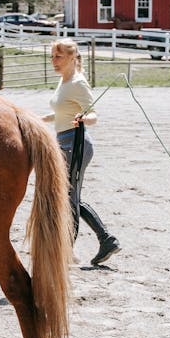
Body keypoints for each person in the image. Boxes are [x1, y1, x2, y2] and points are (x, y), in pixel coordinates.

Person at [43, 38, 121, 266]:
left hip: (76, 144)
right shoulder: (64, 81)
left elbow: (93, 114)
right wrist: (38, 119)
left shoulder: (78, 83)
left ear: (72, 58)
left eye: (58, 56)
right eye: (52, 56)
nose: (54, 61)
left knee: (69, 198)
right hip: (62, 142)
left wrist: (85, 118)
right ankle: (106, 240)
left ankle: (68, 251)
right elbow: (61, 113)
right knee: (70, 197)